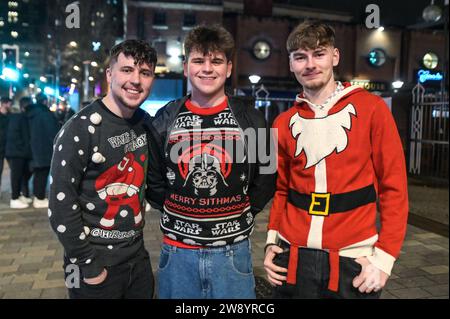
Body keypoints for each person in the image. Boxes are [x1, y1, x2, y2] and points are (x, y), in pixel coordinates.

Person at [263, 21, 408, 299]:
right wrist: (271, 243)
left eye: (319, 53)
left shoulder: (372, 109)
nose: (310, 64)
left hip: (352, 262)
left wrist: (385, 258)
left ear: (335, 56)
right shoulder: (281, 124)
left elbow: (394, 188)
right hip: (293, 260)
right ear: (291, 64)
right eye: (300, 57)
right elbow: (281, 190)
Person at [147, 25, 276, 299]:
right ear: (186, 67)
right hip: (177, 254)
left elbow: (267, 175)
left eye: (216, 61)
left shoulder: (252, 119)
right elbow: (153, 180)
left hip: (233, 254)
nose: (207, 69)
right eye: (198, 61)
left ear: (228, 68)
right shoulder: (165, 117)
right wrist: (179, 213)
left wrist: (243, 212)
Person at [48, 39, 157, 299]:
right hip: (96, 267)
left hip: (138, 261)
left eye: (145, 73)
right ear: (110, 74)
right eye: (127, 70)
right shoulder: (80, 128)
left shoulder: (146, 124)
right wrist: (88, 266)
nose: (136, 80)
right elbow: (60, 205)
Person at [26, 93, 60, 208]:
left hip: (31, 148)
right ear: (45, 101)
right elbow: (53, 133)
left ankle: (29, 195)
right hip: (43, 148)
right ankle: (39, 197)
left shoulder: (30, 113)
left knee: (36, 173)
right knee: (42, 173)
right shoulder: (46, 115)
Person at [5, 96, 32, 208]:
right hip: (17, 152)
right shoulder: (19, 118)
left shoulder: (13, 117)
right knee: (16, 176)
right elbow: (21, 136)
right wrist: (25, 148)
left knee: (19, 175)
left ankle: (19, 196)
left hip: (16, 151)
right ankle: (14, 198)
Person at [0, 97, 12, 196]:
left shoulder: (10, 116)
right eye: (9, 104)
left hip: (9, 146)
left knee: (15, 169)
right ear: (4, 104)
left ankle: (17, 190)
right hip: (1, 147)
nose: (10, 106)